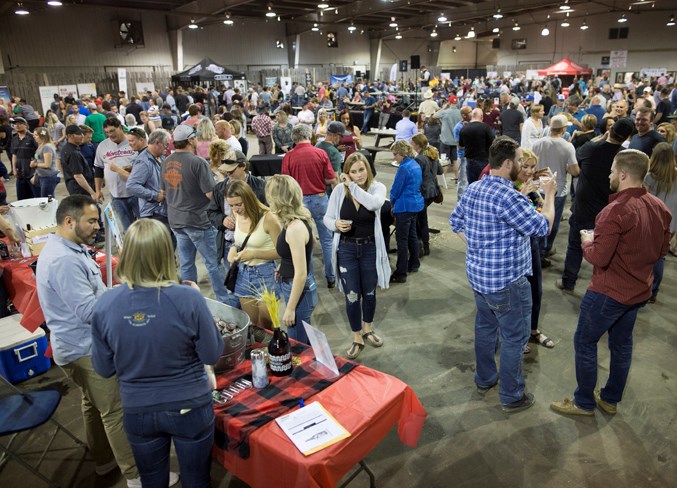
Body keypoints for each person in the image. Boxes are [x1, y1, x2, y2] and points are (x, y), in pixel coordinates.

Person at [91, 219, 219, 488]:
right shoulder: (189, 298)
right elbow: (212, 354)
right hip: (189, 405)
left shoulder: (105, 304)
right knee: (197, 479)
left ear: (126, 255)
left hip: (138, 409)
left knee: (151, 481)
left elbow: (103, 368)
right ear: (167, 253)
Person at [35, 195, 147, 487]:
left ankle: (103, 460)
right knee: (114, 410)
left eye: (98, 220)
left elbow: (92, 296)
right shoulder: (63, 260)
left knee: (92, 405)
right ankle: (136, 476)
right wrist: (128, 299)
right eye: (91, 220)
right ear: (69, 221)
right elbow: (88, 311)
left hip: (77, 345)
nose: (97, 226)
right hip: (84, 348)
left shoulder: (69, 249)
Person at [550, 149, 671, 417]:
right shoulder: (660, 208)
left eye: (613, 171)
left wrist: (587, 242)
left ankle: (583, 402)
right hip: (639, 290)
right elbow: (661, 251)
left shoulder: (614, 211)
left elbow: (598, 258)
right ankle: (610, 398)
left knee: (584, 341)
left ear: (624, 174)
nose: (610, 175)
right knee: (622, 345)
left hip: (608, 292)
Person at [450, 136, 557, 413]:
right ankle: (511, 395)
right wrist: (551, 196)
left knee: (485, 330)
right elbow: (543, 227)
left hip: (479, 278)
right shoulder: (509, 196)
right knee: (514, 338)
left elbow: (455, 221)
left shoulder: (474, 188)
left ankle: (485, 379)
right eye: (520, 161)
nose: (523, 165)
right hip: (508, 283)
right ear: (507, 163)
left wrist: (476, 246)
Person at [323, 152, 389, 359]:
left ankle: (368, 328)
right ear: (347, 172)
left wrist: (351, 185)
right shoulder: (338, 192)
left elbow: (374, 204)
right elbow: (327, 217)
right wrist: (335, 224)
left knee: (369, 292)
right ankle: (357, 335)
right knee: (352, 296)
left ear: (368, 169)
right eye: (353, 172)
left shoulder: (377, 188)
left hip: (370, 248)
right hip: (347, 249)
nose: (358, 175)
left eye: (361, 170)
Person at [558, 119, 634, 293]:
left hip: (584, 209)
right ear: (627, 137)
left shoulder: (591, 149)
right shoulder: (624, 156)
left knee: (575, 247)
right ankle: (598, 288)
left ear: (610, 130)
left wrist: (600, 140)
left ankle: (568, 282)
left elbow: (575, 159)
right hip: (609, 212)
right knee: (605, 252)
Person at [161, 123, 231, 304]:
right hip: (198, 220)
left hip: (176, 219)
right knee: (213, 262)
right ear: (190, 140)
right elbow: (210, 195)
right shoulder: (198, 162)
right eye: (195, 138)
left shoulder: (166, 162)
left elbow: (165, 191)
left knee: (186, 262)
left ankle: (188, 299)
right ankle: (225, 299)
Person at [281, 124, 337, 288]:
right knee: (327, 239)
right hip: (320, 199)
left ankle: (308, 278)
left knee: (304, 242)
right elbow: (330, 178)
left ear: (294, 138)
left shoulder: (289, 157)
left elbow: (287, 183)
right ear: (309, 136)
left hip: (299, 202)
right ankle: (331, 276)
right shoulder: (320, 153)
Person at [265, 175, 318, 345]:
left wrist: (290, 308)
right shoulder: (300, 217)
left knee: (299, 346)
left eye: (270, 197)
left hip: (299, 292)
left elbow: (301, 274)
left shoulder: (294, 228)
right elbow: (311, 244)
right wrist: (286, 264)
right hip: (298, 287)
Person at [226, 180, 281, 328]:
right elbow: (238, 240)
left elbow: (282, 252)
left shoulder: (269, 218)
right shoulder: (236, 215)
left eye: (239, 204)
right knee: (252, 326)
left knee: (268, 326)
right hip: (243, 275)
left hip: (266, 276)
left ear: (249, 199)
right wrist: (233, 248)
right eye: (231, 205)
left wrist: (254, 254)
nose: (235, 209)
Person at [516, 149, 555, 353]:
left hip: (533, 246)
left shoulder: (529, 186)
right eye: (525, 166)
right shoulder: (510, 188)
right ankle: (518, 335)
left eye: (532, 166)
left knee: (535, 290)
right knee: (517, 296)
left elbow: (541, 216)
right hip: (516, 251)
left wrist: (542, 193)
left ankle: (532, 329)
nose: (530, 171)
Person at [532, 114, 580, 263]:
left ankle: (536, 252)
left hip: (537, 189)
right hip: (557, 191)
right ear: (564, 128)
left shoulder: (537, 143)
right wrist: (564, 167)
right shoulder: (567, 146)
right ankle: (543, 253)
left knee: (536, 221)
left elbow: (531, 166)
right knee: (551, 224)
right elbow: (575, 171)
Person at [644, 142, 676, 302]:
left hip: (651, 221)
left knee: (645, 254)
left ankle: (642, 287)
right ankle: (653, 291)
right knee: (660, 256)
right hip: (670, 222)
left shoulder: (649, 176)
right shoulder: (675, 176)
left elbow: (643, 199)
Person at [389, 140, 424, 283]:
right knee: (412, 236)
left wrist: (391, 202)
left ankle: (401, 272)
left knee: (401, 240)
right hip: (416, 205)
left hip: (404, 206)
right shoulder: (415, 164)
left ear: (402, 153)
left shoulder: (403, 168)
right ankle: (414, 263)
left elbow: (396, 189)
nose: (394, 158)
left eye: (395, 154)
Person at [126, 129, 172, 237]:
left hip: (162, 211)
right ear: (157, 143)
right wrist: (155, 195)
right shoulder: (143, 161)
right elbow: (131, 186)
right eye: (165, 145)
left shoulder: (160, 157)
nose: (167, 148)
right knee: (161, 249)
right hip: (154, 214)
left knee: (169, 246)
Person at [95, 118, 138, 232]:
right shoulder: (102, 146)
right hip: (116, 195)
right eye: (107, 132)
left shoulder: (133, 142)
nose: (110, 135)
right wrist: (98, 190)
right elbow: (98, 168)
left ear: (120, 127)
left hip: (137, 193)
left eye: (112, 131)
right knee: (128, 229)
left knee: (145, 225)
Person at [411, 133, 442, 256]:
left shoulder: (419, 159)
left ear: (417, 145)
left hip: (423, 192)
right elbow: (440, 171)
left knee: (421, 220)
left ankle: (423, 246)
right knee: (421, 218)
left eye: (412, 143)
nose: (410, 144)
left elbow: (416, 177)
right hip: (433, 191)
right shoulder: (432, 155)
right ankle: (424, 245)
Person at [458, 108, 495, 184]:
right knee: (483, 183)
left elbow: (461, 144)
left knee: (472, 184)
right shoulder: (485, 127)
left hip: (469, 161)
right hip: (483, 161)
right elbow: (493, 142)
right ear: (481, 116)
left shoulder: (464, 129)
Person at [10, 117, 39, 199]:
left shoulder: (33, 137)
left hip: (31, 173)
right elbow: (14, 155)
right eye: (15, 124)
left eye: (20, 123)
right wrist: (14, 169)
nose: (17, 125)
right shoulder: (14, 139)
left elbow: (39, 153)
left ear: (26, 125)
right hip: (20, 174)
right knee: (21, 199)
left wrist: (36, 169)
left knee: (36, 198)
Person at [30, 127, 61, 197]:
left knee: (47, 198)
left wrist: (35, 164)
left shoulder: (47, 147)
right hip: (42, 176)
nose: (34, 136)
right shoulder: (41, 146)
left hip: (48, 176)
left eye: (36, 135)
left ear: (42, 136)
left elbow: (47, 164)